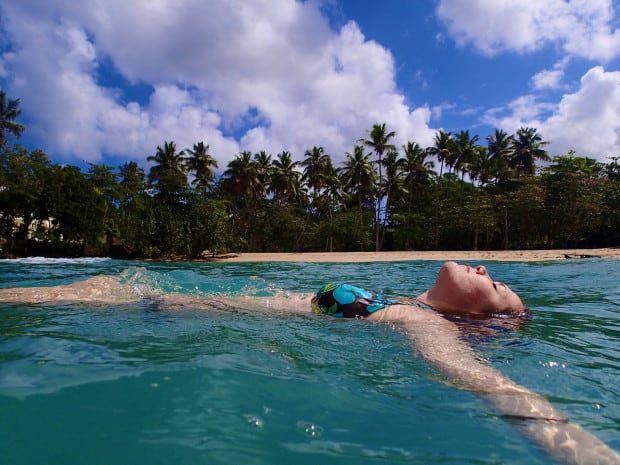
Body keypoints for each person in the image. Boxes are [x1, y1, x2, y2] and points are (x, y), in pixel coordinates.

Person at [0, 261, 619, 465]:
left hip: (183, 315)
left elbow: (490, 386)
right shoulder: (405, 299)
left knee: (97, 290)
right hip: (182, 307)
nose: (487, 269)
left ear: (486, 323)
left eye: (499, 285)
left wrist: (585, 451)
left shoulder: (423, 324)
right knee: (105, 285)